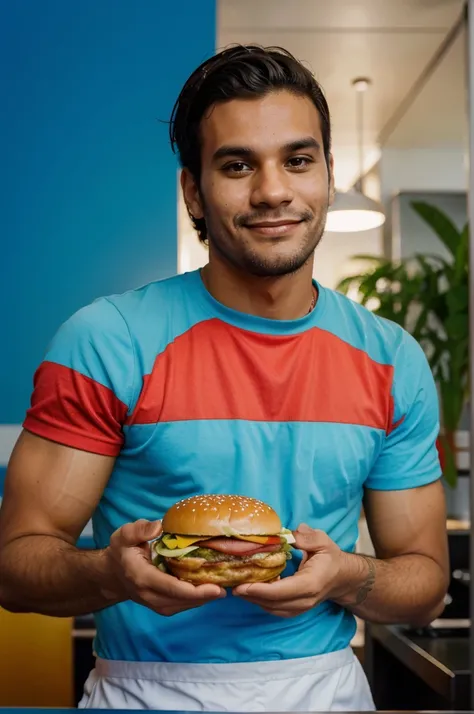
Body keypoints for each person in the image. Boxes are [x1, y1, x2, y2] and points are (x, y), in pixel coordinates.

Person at [0, 45, 449, 711]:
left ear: (327, 174)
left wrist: (343, 576)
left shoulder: (392, 358)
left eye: (298, 160)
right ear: (193, 191)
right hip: (146, 694)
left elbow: (426, 581)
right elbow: (17, 566)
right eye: (237, 165)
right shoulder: (107, 341)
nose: (272, 191)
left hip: (325, 689)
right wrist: (110, 574)